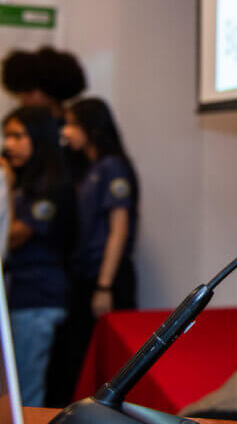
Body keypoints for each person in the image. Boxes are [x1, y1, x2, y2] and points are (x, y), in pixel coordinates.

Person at [51, 98, 138, 404]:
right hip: (84, 275)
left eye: (73, 124)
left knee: (108, 366)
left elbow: (118, 229)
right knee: (80, 361)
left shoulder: (112, 167)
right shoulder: (87, 169)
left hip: (105, 277)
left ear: (92, 127)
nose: (67, 131)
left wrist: (104, 285)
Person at [2, 106, 74, 407]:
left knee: (25, 392)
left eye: (18, 136)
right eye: (6, 136)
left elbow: (15, 235)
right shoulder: (25, 182)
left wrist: (3, 187)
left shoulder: (50, 184)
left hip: (38, 299)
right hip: (22, 295)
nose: (8, 144)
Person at [1, 47, 87, 119]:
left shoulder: (74, 129)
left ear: (51, 90)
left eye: (29, 91)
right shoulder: (20, 126)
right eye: (19, 92)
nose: (23, 99)